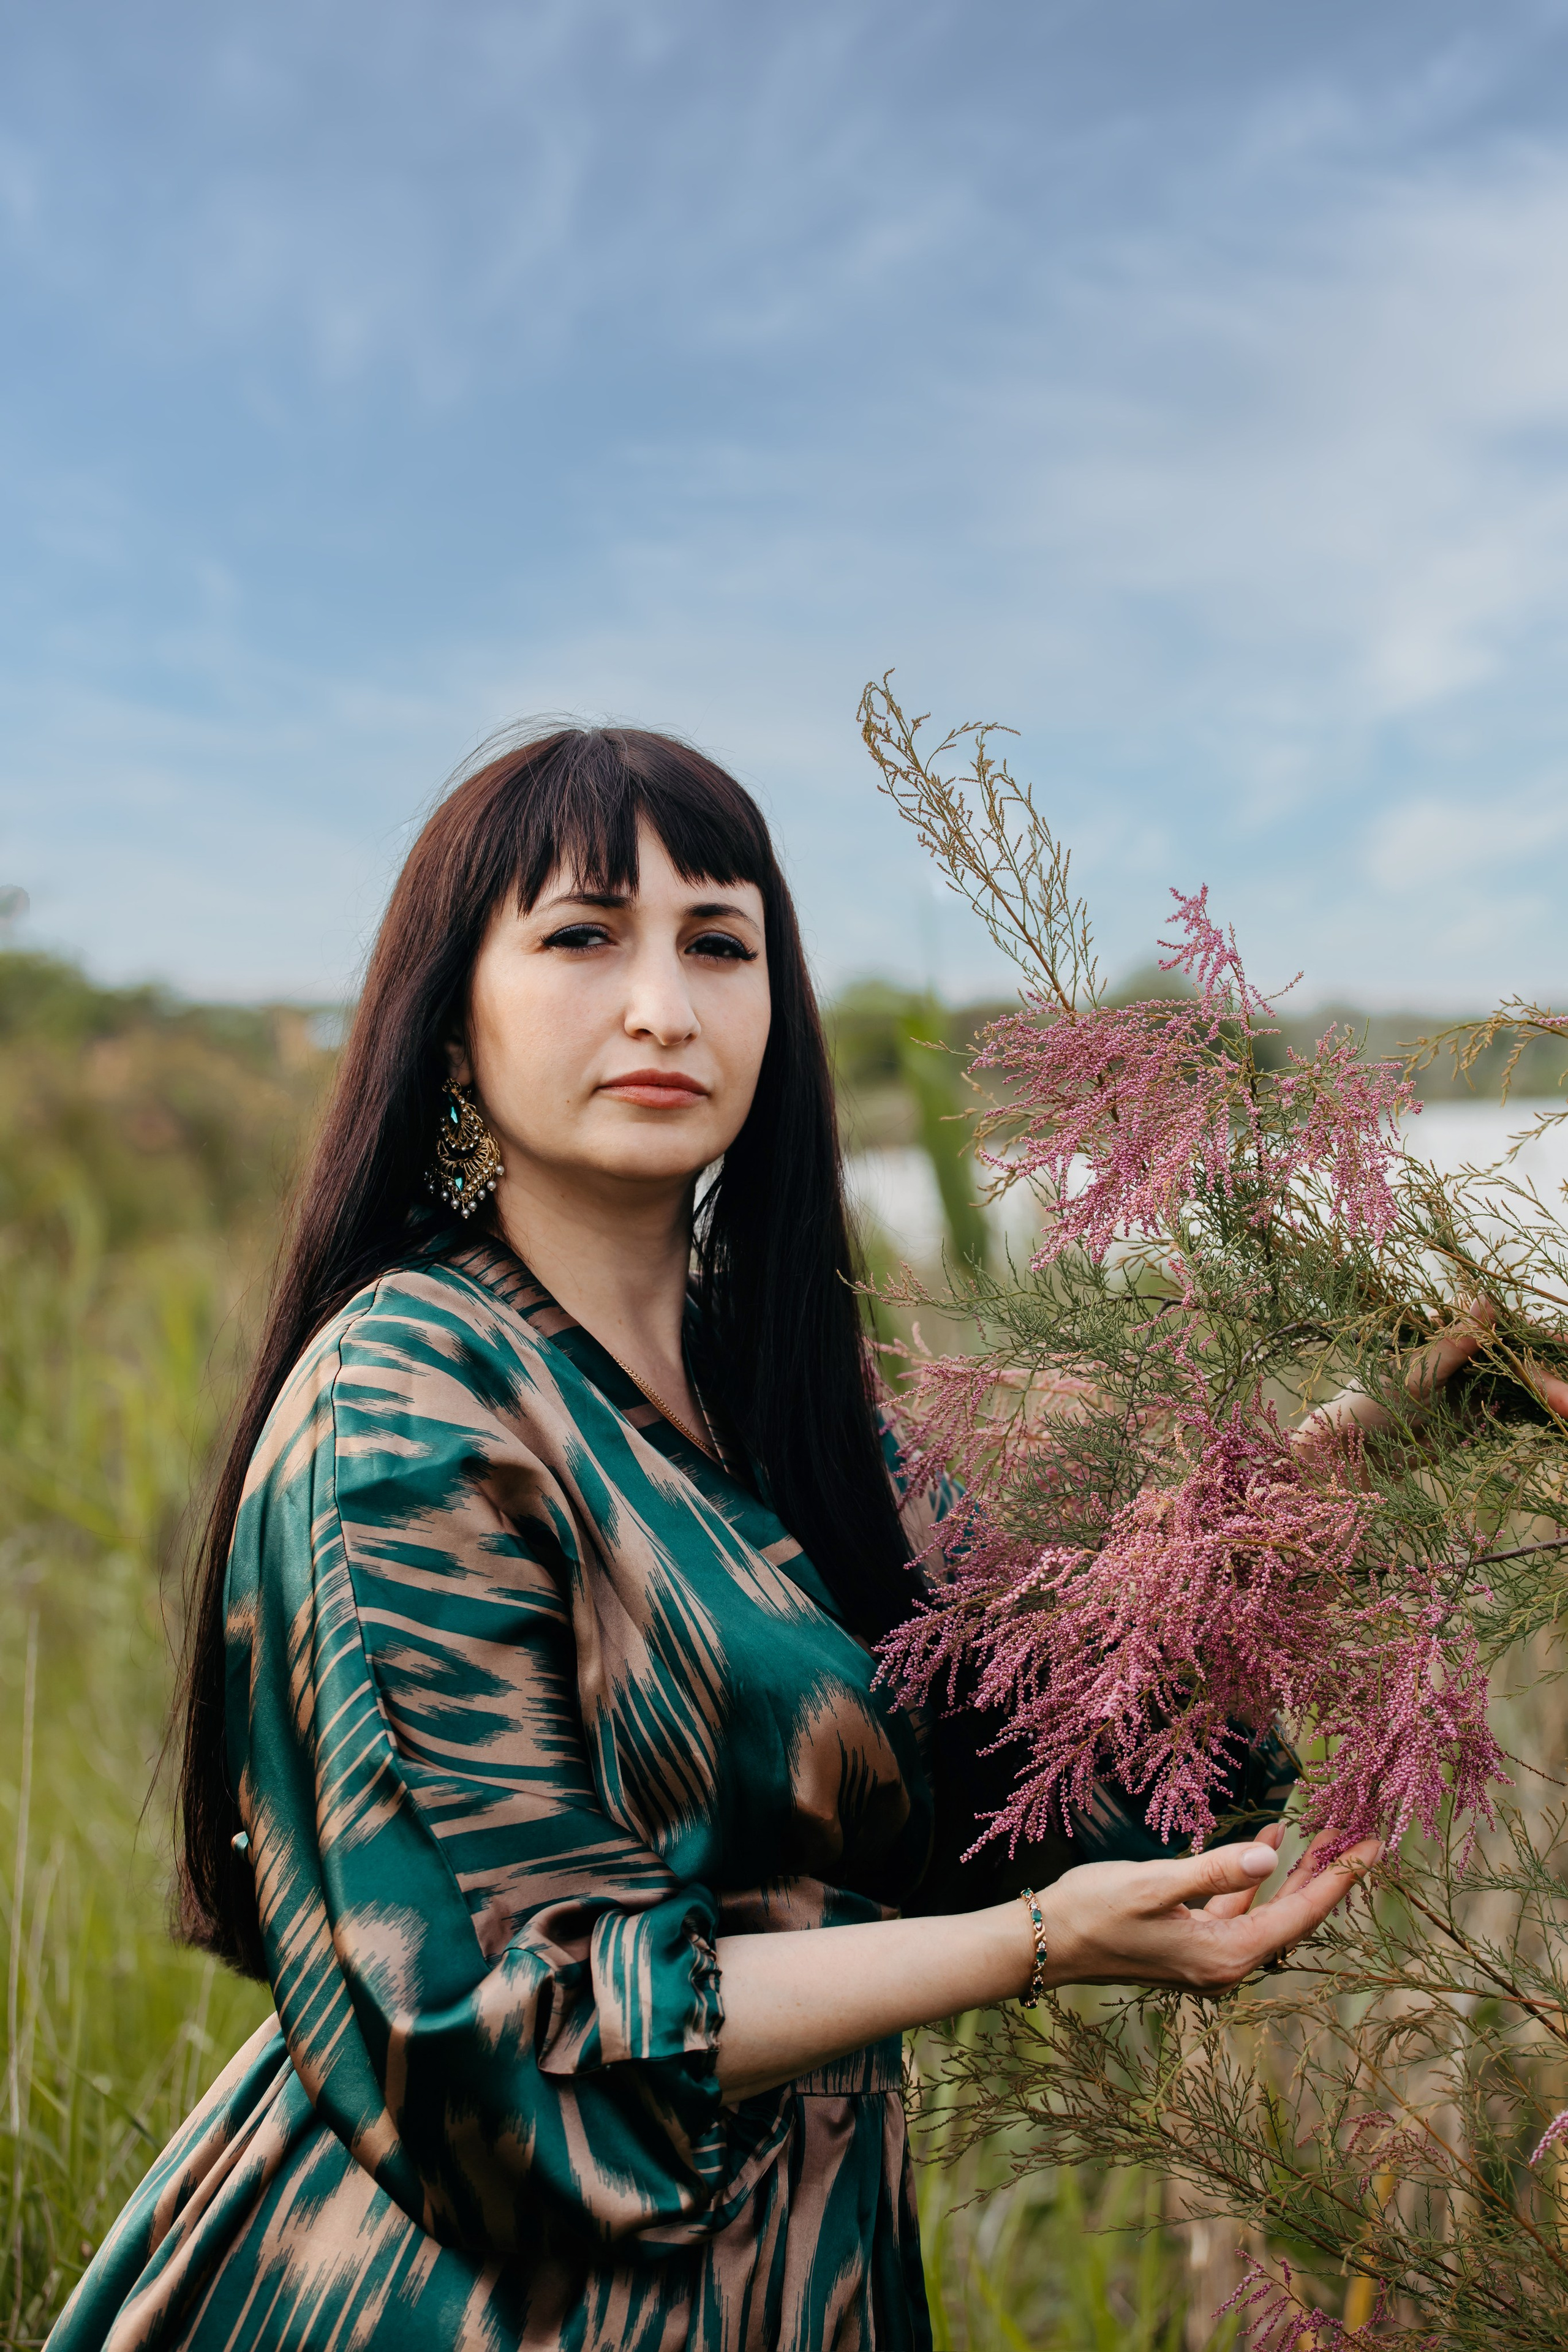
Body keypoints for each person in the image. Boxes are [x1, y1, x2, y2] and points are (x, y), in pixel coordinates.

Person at [50, 728, 1381, 2352]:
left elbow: (1028, 1770)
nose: (663, 1007)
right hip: (467, 2299)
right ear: (452, 1024)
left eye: (718, 944)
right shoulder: (408, 1400)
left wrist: (1310, 1517)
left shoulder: (788, 1399)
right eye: (582, 936)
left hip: (797, 2277)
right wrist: (1029, 1952)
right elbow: (498, 2023)